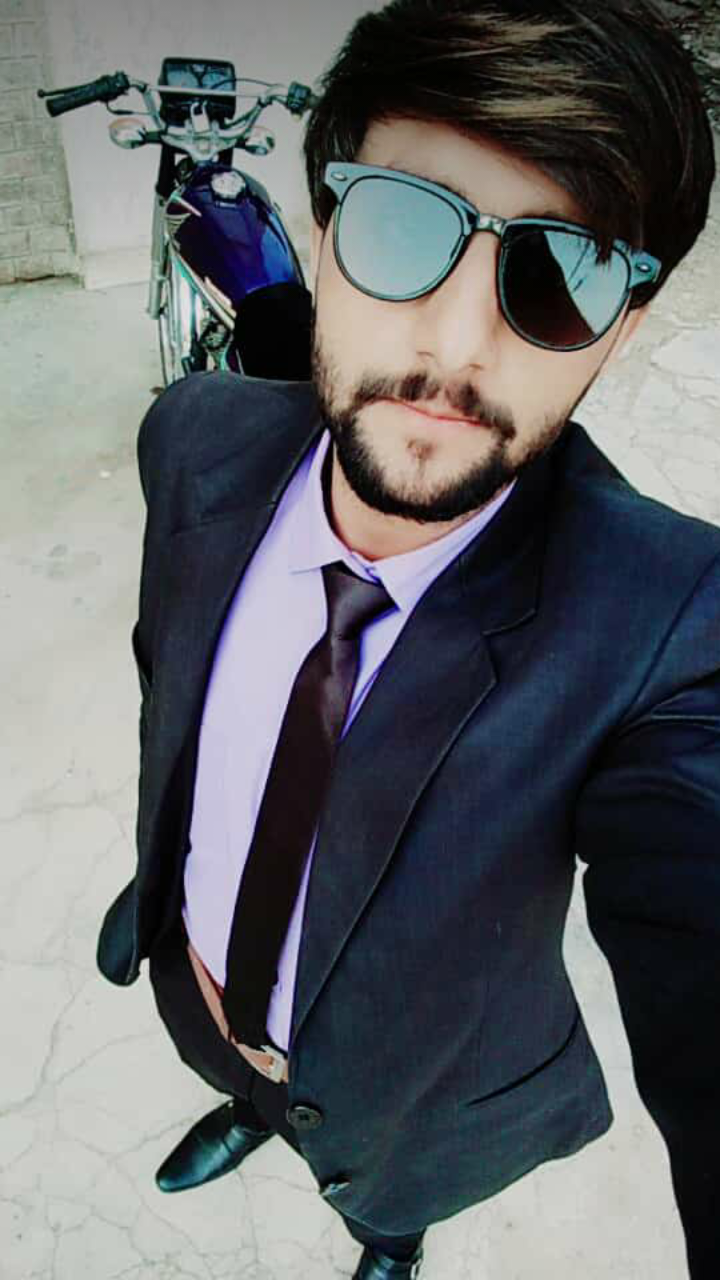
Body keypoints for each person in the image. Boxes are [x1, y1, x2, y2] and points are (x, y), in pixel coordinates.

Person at [96, 1, 720, 1276]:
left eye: (559, 275)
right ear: (322, 236)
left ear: (626, 325)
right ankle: (248, 1103)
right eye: (398, 223)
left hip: (415, 1101)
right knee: (245, 1076)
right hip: (195, 980)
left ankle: (390, 1236)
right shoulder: (193, 440)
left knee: (382, 1193)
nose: (456, 340)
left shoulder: (674, 627)